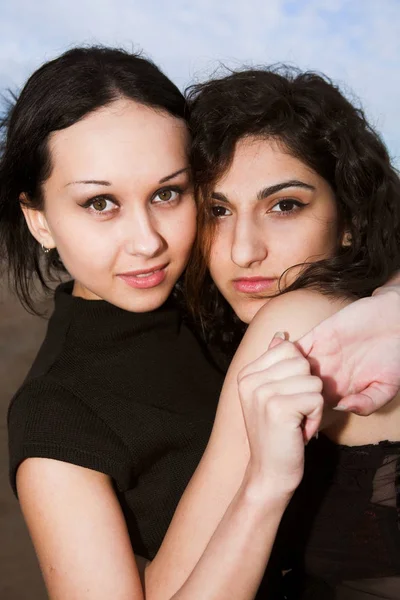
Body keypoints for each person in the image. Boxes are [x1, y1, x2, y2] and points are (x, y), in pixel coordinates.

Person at [2, 48, 400, 599]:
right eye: (100, 204)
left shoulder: (230, 293)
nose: (148, 243)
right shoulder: (60, 418)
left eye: (167, 194)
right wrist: (263, 487)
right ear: (39, 219)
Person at [150, 66, 400, 599]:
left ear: (350, 215)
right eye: (218, 210)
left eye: (284, 205)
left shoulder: (295, 321)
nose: (244, 250)